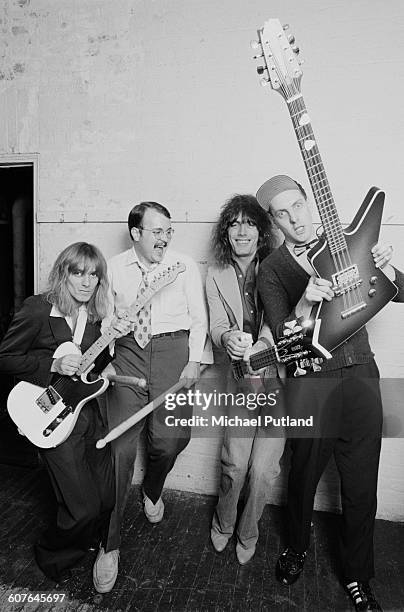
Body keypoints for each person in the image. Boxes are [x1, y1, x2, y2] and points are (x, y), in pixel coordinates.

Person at [255, 175, 404, 612]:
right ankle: (297, 546)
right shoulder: (272, 270)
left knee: (361, 484)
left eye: (298, 205)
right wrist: (304, 304)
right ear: (273, 221)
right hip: (312, 383)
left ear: (309, 201)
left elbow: (403, 290)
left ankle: (358, 576)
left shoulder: (348, 242)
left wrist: (387, 266)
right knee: (302, 476)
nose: (294, 218)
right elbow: (284, 339)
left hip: (360, 377)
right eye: (282, 213)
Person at [92, 201, 209, 593]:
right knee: (120, 451)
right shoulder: (113, 267)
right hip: (128, 353)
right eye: (157, 231)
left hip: (174, 352)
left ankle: (153, 488)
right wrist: (113, 325)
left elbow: (199, 319)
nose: (165, 238)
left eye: (168, 231)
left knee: (171, 439)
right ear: (136, 233)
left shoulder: (183, 266)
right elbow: (103, 318)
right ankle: (108, 545)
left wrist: (194, 361)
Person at [0, 242, 130, 584]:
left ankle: (85, 541)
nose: (87, 282)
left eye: (94, 275)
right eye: (78, 273)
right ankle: (52, 556)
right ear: (63, 273)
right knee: (82, 507)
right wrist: (53, 364)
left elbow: (91, 367)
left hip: (88, 416)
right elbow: (6, 357)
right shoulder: (39, 309)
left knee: (104, 498)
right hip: (53, 418)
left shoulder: (96, 314)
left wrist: (111, 340)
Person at [205, 194, 285, 565]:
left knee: (263, 470)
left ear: (261, 230)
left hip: (275, 376)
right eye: (234, 223)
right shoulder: (215, 272)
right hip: (239, 376)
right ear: (226, 232)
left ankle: (247, 531)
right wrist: (228, 339)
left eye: (250, 223)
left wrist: (264, 342)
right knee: (234, 465)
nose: (242, 230)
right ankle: (223, 522)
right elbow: (218, 324)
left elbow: (283, 315)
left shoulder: (278, 265)